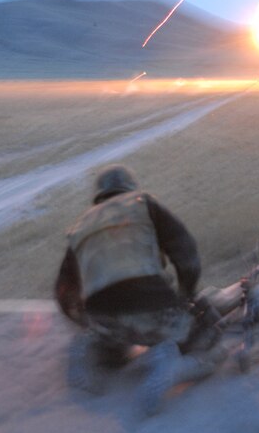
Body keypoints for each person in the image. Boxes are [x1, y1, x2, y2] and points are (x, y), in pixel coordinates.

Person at [55, 164, 226, 414]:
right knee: (212, 344)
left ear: (99, 194)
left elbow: (63, 292)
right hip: (154, 311)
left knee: (116, 356)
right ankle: (175, 369)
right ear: (130, 186)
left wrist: (86, 322)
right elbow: (187, 254)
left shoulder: (79, 228)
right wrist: (186, 295)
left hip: (105, 321)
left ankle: (93, 346)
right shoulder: (143, 203)